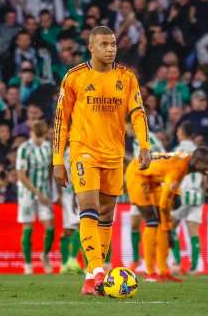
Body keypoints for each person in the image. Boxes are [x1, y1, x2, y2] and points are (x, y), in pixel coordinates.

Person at [52, 26, 151, 296]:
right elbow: (61, 121)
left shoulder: (127, 76)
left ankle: (89, 278)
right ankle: (98, 270)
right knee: (89, 207)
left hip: (114, 154)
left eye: (114, 44)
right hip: (84, 151)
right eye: (105, 44)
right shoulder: (74, 77)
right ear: (91, 48)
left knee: (107, 215)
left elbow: (138, 112)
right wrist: (57, 159)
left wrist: (144, 144)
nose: (111, 49)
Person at [126, 148, 208, 282]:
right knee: (152, 220)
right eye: (207, 164)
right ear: (197, 162)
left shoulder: (185, 162)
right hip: (137, 174)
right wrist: (168, 228)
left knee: (163, 221)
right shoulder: (178, 168)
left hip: (151, 177)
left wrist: (167, 226)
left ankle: (163, 271)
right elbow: (164, 204)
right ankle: (150, 272)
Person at [16, 120, 54, 275]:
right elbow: (21, 175)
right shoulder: (24, 149)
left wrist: (50, 192)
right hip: (27, 195)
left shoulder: (47, 148)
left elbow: (50, 170)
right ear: (32, 133)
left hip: (44, 193)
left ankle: (44, 255)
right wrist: (37, 193)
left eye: (42, 136)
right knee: (28, 228)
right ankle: (28, 264)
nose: (39, 139)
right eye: (37, 136)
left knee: (50, 227)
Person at [128, 127, 165, 272]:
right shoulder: (151, 137)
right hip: (147, 180)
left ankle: (153, 262)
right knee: (136, 222)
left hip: (146, 182)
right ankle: (138, 260)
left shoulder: (140, 139)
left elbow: (143, 161)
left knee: (153, 222)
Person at [169, 121, 202, 275]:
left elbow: (173, 174)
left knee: (170, 228)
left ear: (181, 133)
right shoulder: (199, 151)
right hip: (197, 194)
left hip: (182, 194)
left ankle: (176, 263)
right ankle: (195, 267)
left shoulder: (178, 151)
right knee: (193, 231)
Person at [59, 146, 83, 274]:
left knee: (69, 229)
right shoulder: (74, 149)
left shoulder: (62, 150)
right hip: (73, 193)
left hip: (68, 193)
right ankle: (70, 261)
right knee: (78, 226)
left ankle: (65, 264)